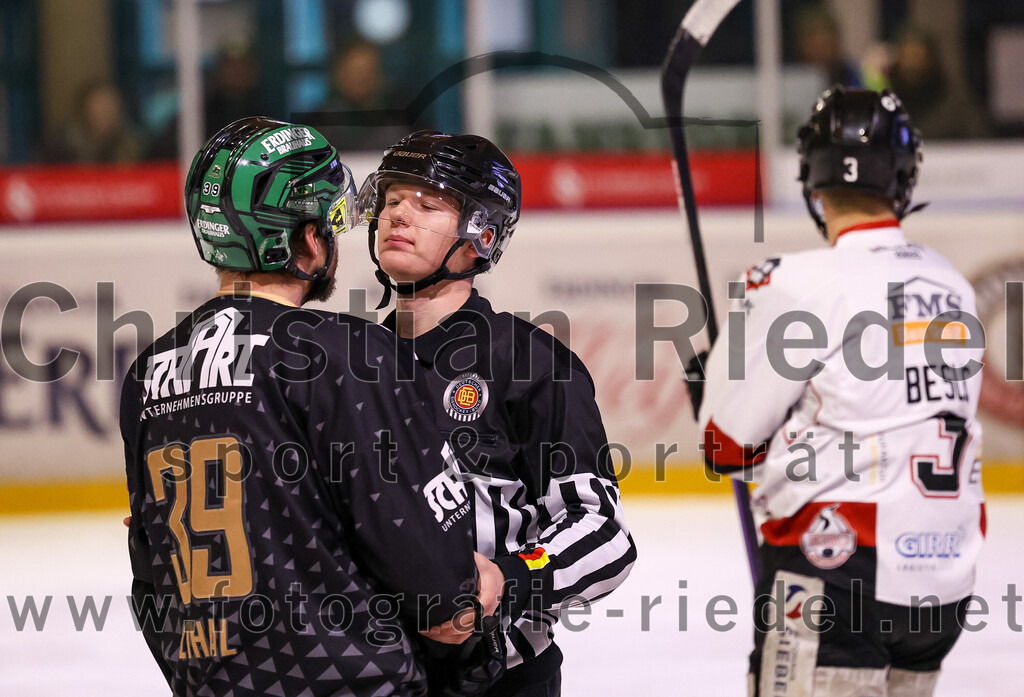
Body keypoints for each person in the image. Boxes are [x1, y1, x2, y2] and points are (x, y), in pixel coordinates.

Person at [121, 117, 482, 697]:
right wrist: (472, 592)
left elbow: (150, 579)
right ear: (309, 238)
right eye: (330, 222)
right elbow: (436, 588)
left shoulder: (147, 375)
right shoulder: (344, 351)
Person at [697, 87, 985, 697]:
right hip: (944, 583)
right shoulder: (952, 284)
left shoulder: (792, 282)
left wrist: (714, 387)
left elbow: (726, 447)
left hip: (838, 570)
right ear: (904, 178)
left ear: (812, 181)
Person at [358, 131, 637, 696]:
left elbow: (604, 537)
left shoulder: (529, 362)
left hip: (502, 681)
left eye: (428, 204)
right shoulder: (349, 365)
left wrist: (509, 578)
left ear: (480, 234)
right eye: (391, 201)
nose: (398, 216)